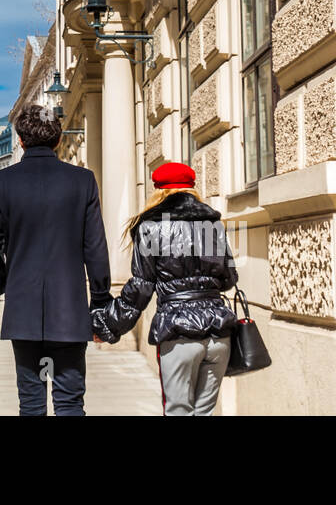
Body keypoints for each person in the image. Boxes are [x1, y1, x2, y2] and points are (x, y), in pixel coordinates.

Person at [0, 104, 112, 416]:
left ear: (20, 141)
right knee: (70, 403)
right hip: (70, 311)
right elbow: (95, 249)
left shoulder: (1, 182)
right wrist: (101, 300)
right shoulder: (82, 181)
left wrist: (5, 283)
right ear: (59, 139)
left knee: (32, 405)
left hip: (23, 311)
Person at [92, 162, 238, 416]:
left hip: (177, 332)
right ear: (192, 189)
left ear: (158, 190)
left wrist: (108, 325)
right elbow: (229, 278)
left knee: (178, 411)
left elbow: (141, 288)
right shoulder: (214, 224)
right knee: (205, 413)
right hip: (218, 332)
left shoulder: (150, 227)